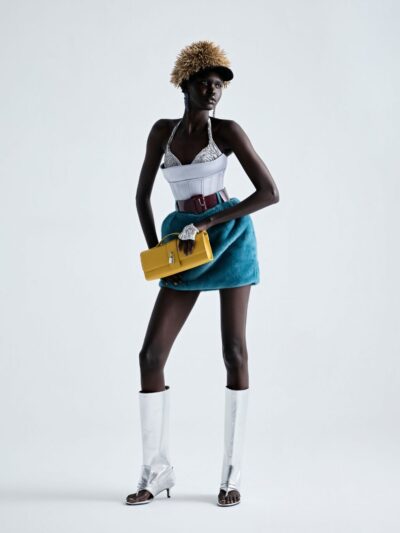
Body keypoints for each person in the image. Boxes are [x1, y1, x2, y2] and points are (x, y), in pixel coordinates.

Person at [126, 40, 279, 507]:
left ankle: (231, 475)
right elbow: (141, 196)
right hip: (183, 242)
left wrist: (209, 223)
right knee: (151, 356)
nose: (213, 91)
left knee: (234, 351)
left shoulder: (227, 131)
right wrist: (157, 249)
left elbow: (269, 192)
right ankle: (157, 470)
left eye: (219, 85)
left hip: (229, 237)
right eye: (205, 83)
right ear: (185, 84)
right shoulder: (162, 132)